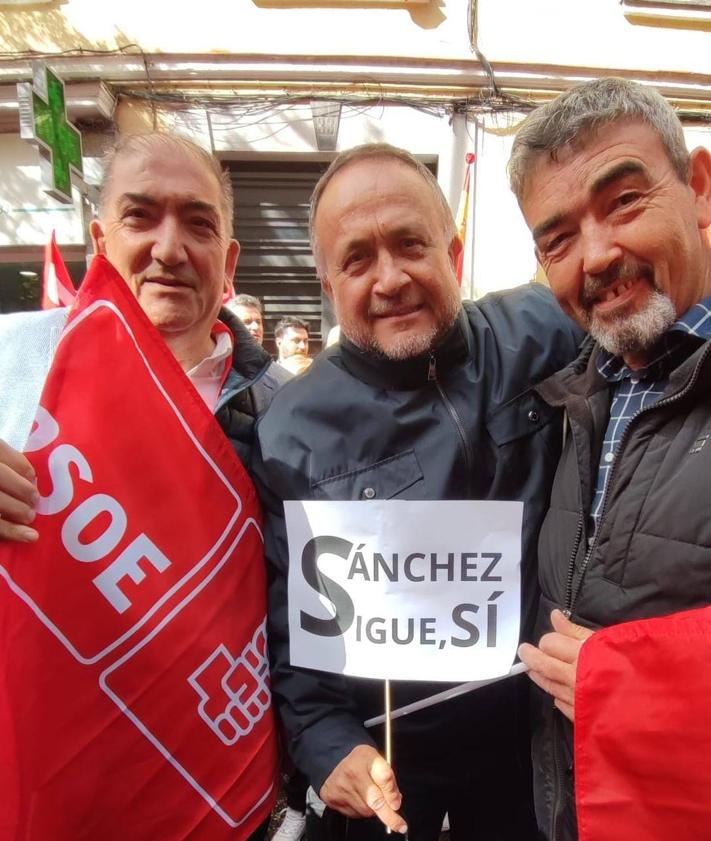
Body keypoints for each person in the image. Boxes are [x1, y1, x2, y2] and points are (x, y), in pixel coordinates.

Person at [254, 143, 582, 841]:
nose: (390, 277)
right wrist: (328, 746)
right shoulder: (291, 427)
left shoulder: (546, 329)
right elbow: (292, 631)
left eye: (410, 244)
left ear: (452, 253)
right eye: (357, 259)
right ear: (326, 283)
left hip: (535, 746)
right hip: (387, 765)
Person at [0, 133, 287, 839]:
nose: (168, 247)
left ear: (228, 261)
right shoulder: (11, 362)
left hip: (215, 803)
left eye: (197, 222)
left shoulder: (292, 411)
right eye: (141, 216)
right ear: (99, 239)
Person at [509, 77, 711, 840]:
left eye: (623, 202)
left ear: (697, 187)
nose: (594, 255)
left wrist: (634, 681)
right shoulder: (578, 394)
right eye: (556, 239)